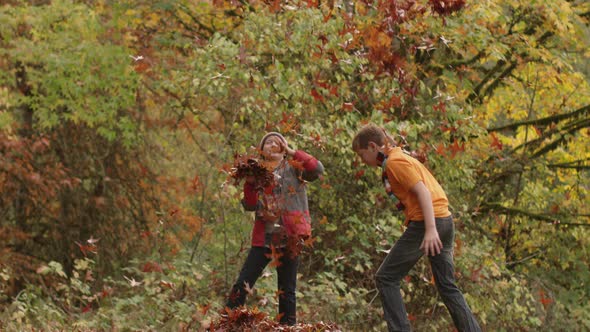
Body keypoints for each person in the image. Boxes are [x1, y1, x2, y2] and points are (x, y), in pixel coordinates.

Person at [352, 124, 481, 332]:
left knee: (386, 277)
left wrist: (430, 230)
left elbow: (423, 192)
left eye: (361, 154)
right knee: (447, 286)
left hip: (430, 222)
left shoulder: (395, 162)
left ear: (373, 146)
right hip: (444, 220)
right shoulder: (398, 157)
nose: (362, 160)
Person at [226, 131, 324, 325]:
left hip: (290, 237)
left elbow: (317, 169)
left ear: (283, 148)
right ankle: (227, 323)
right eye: (267, 142)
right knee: (243, 283)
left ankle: (288, 328)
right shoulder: (258, 173)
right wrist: (250, 183)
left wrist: (292, 151)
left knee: (287, 290)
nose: (272, 144)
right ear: (262, 151)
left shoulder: (295, 169)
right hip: (265, 238)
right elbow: (250, 204)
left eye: (276, 142)